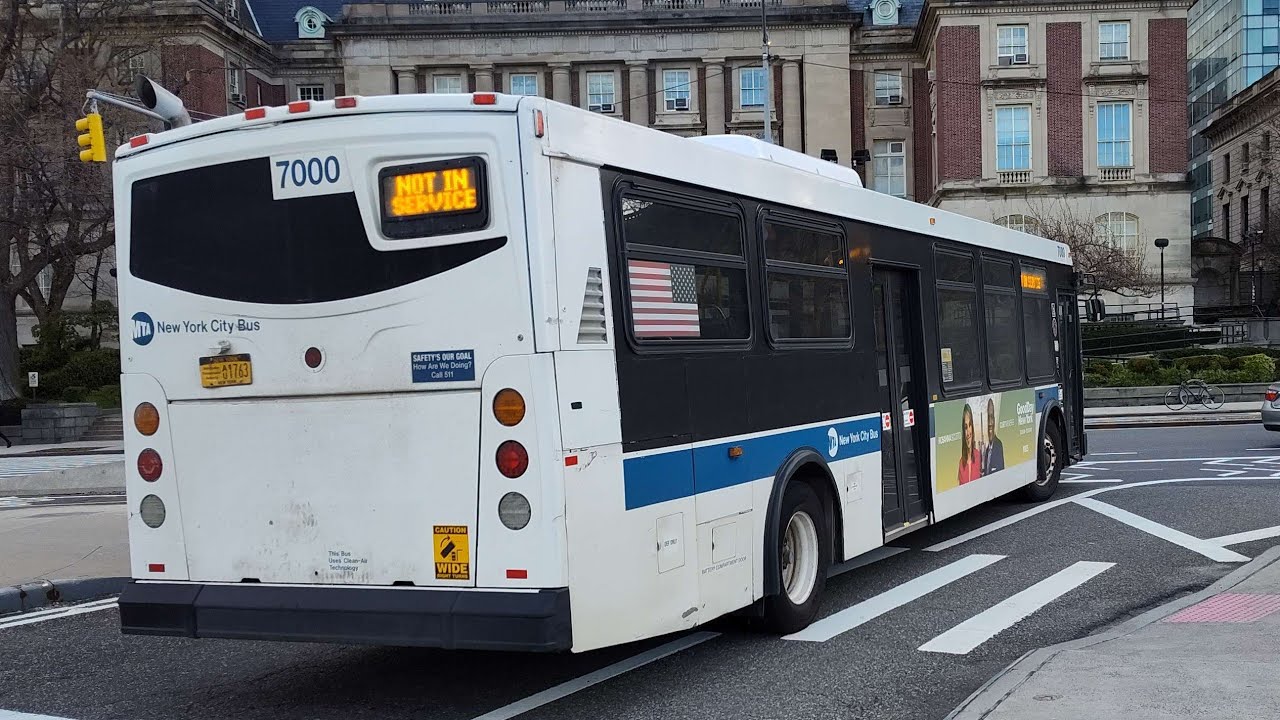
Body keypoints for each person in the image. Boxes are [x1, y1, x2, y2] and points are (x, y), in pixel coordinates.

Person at [958, 404, 981, 485]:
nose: (968, 433)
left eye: (970, 425)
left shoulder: (978, 455)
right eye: (965, 427)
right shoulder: (961, 463)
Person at [982, 398, 1005, 476]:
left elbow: (1000, 471)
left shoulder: (998, 445)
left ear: (995, 420)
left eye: (991, 417)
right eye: (988, 418)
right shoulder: (988, 450)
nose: (990, 423)